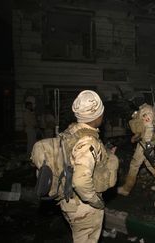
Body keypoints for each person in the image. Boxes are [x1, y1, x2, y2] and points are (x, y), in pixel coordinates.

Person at [60, 90, 119, 243]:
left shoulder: (72, 130)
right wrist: (94, 201)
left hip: (68, 200)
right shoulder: (88, 141)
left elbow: (75, 157)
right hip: (83, 207)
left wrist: (104, 154)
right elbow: (80, 181)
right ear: (97, 116)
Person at [117, 103, 155, 196]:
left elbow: (149, 127)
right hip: (146, 142)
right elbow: (142, 126)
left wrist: (147, 144)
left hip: (145, 143)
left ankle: (126, 189)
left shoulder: (146, 110)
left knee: (134, 165)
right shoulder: (143, 109)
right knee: (149, 164)